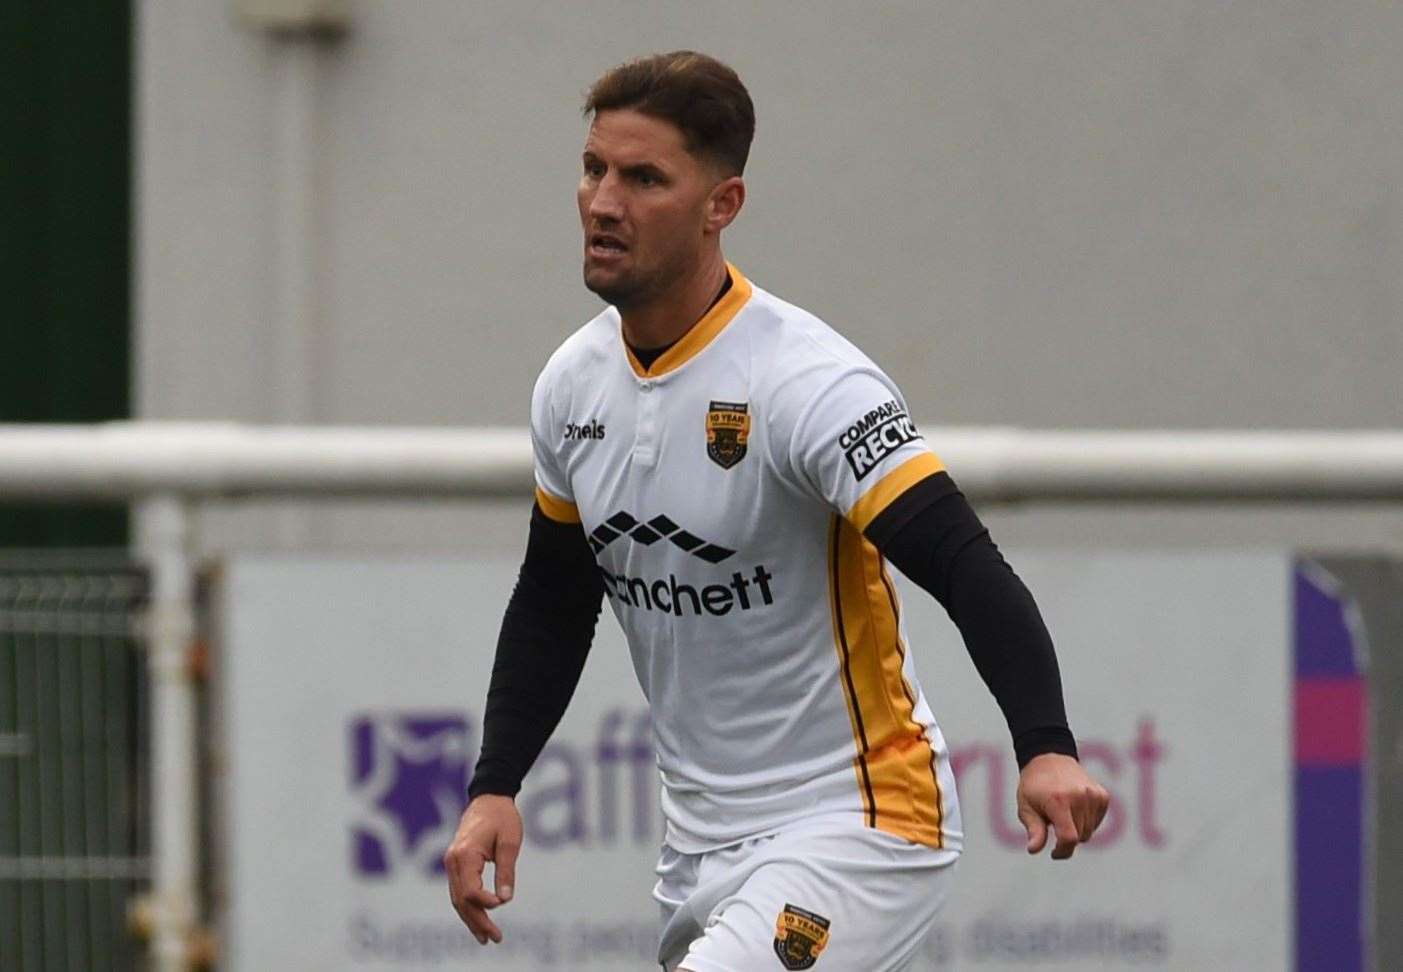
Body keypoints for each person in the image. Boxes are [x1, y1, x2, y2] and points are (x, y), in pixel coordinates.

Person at [445, 51, 1110, 971]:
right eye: (594, 169)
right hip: (698, 850)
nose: (603, 202)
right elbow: (555, 598)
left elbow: (963, 562)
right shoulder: (571, 385)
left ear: (722, 205)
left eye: (644, 179)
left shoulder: (807, 382)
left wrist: (1044, 745)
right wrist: (495, 787)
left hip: (861, 824)